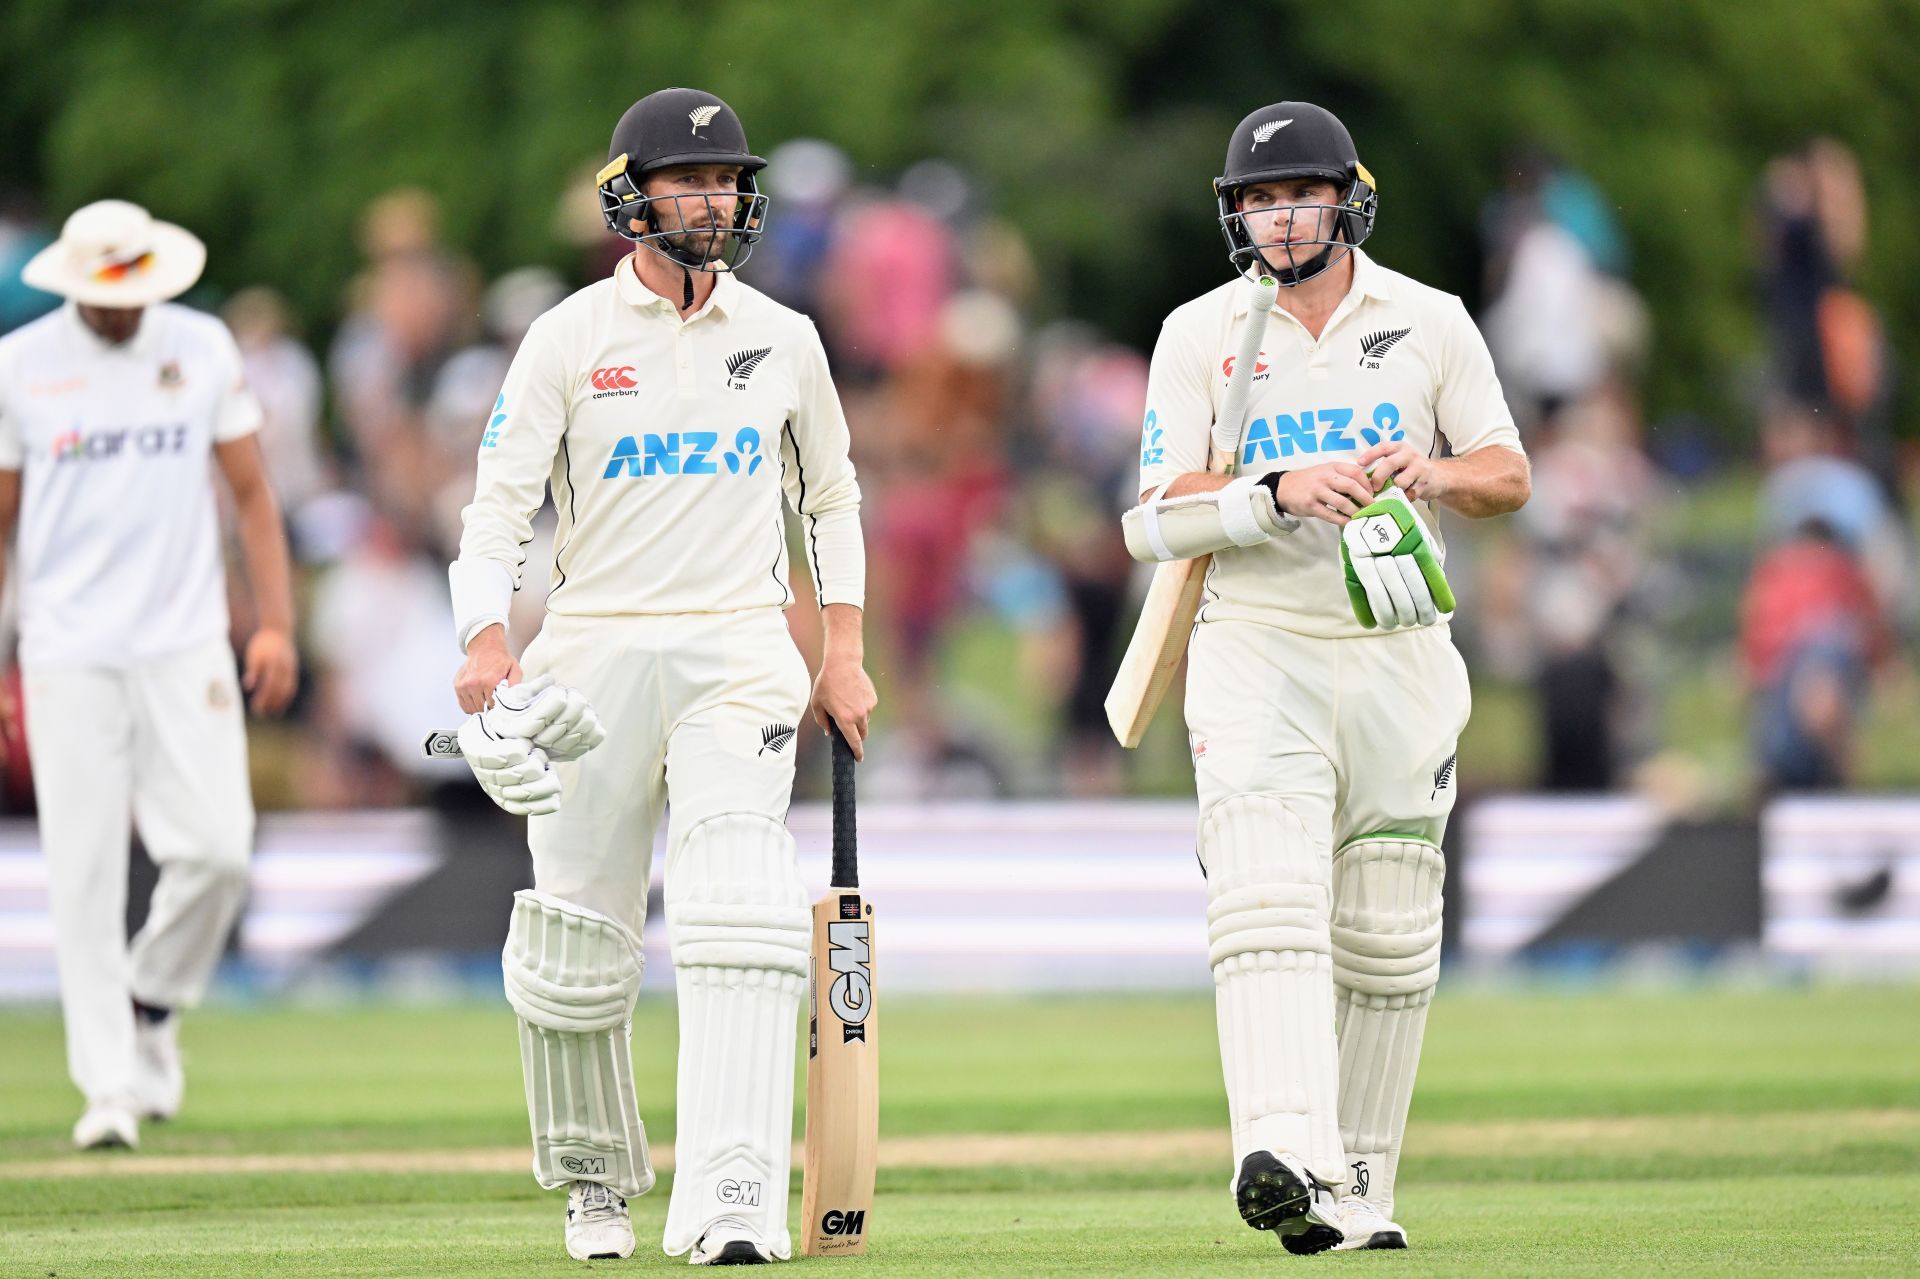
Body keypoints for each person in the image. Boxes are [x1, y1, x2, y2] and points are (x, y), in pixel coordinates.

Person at [447, 88, 875, 1265]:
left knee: (738, 906)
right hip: (591, 648)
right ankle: (595, 1184)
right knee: (578, 942)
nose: (713, 199)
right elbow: (496, 511)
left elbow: (831, 497)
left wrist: (840, 648)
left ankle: (733, 1194)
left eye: (727, 179)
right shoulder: (568, 337)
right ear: (632, 194)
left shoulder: (784, 336)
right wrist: (487, 639)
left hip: (739, 647)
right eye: (689, 179)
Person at [1130, 103, 1528, 1251]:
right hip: (1258, 643)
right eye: (1255, 199)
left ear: (1347, 198)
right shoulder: (1199, 331)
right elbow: (1151, 515)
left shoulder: (1428, 319)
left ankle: (1357, 1192)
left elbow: (1511, 472)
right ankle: (1283, 1147)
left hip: (1400, 646)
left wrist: (1435, 473)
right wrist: (1273, 491)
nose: (1276, 215)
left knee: (1389, 937)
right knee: (1264, 898)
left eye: (1296, 194)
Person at [0, 199, 298, 1149]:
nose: (123, 309)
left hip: (184, 640)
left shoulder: (200, 344)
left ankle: (154, 1001)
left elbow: (252, 494)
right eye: (106, 294)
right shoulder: (22, 366)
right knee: (82, 869)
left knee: (219, 848)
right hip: (66, 647)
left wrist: (277, 625)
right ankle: (109, 1089)